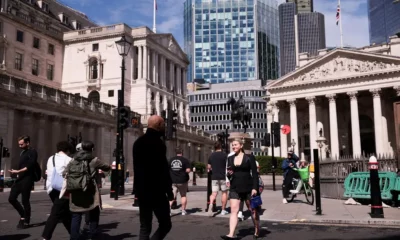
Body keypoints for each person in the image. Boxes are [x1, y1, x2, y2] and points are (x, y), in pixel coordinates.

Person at [133, 115, 173, 240]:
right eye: (164, 125)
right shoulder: (158, 144)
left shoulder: (138, 142)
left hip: (142, 190)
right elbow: (163, 170)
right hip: (157, 191)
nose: (165, 127)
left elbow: (137, 168)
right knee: (165, 224)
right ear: (159, 125)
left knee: (145, 226)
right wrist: (169, 191)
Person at [67, 141, 111, 240]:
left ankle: (74, 238)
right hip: (90, 191)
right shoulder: (94, 160)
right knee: (94, 213)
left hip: (75, 191)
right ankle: (92, 235)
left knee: (76, 215)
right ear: (91, 149)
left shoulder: (73, 160)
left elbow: (65, 173)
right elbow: (107, 167)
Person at [221, 139, 259, 240]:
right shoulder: (230, 158)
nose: (234, 147)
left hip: (248, 187)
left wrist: (255, 188)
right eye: (232, 145)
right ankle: (231, 234)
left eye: (236, 145)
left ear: (241, 145)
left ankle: (256, 228)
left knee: (252, 210)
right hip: (235, 187)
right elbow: (229, 173)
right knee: (234, 210)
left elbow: (255, 174)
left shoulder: (249, 157)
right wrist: (229, 175)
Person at [41, 141, 74, 240]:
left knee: (64, 213)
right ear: (67, 150)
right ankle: (45, 237)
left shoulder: (51, 158)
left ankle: (74, 234)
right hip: (62, 189)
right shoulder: (69, 160)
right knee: (55, 214)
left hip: (51, 188)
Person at [8, 135, 38, 229]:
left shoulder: (33, 152)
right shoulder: (22, 152)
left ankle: (26, 220)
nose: (20, 146)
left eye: (21, 144)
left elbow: (30, 165)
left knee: (25, 201)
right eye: (19, 144)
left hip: (27, 179)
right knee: (11, 198)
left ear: (27, 143)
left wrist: (18, 171)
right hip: (20, 179)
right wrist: (17, 173)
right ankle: (23, 214)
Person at [207, 141, 229, 217]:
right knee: (224, 193)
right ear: (221, 147)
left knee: (214, 193)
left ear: (214, 147)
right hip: (223, 177)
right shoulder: (225, 155)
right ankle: (223, 210)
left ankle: (211, 204)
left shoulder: (211, 156)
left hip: (214, 177)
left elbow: (209, 167)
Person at [169, 147, 191, 215]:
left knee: (171, 196)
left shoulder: (170, 160)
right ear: (182, 152)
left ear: (176, 152)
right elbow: (188, 170)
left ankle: (168, 210)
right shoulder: (185, 160)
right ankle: (183, 210)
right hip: (182, 180)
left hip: (172, 180)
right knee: (183, 195)